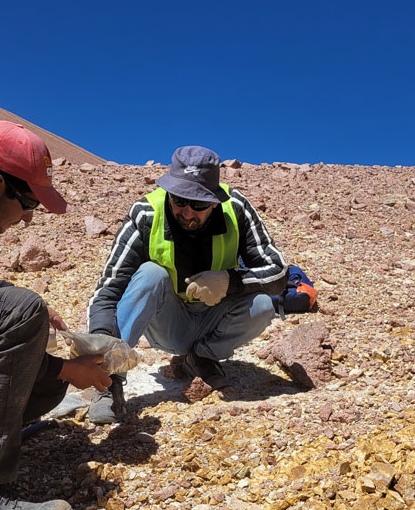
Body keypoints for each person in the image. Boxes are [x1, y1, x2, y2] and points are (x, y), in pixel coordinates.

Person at [0, 121, 112, 510]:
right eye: (29, 200)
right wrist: (68, 371)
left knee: (31, 354)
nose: (30, 217)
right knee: (21, 311)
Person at [86, 145, 287, 423]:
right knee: (150, 274)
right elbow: (108, 291)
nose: (187, 212)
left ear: (215, 201)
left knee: (264, 304)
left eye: (199, 204)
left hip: (215, 318)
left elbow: (278, 273)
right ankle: (110, 384)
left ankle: (201, 358)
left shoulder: (236, 209)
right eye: (179, 200)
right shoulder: (146, 213)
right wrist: (100, 355)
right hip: (169, 325)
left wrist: (230, 281)